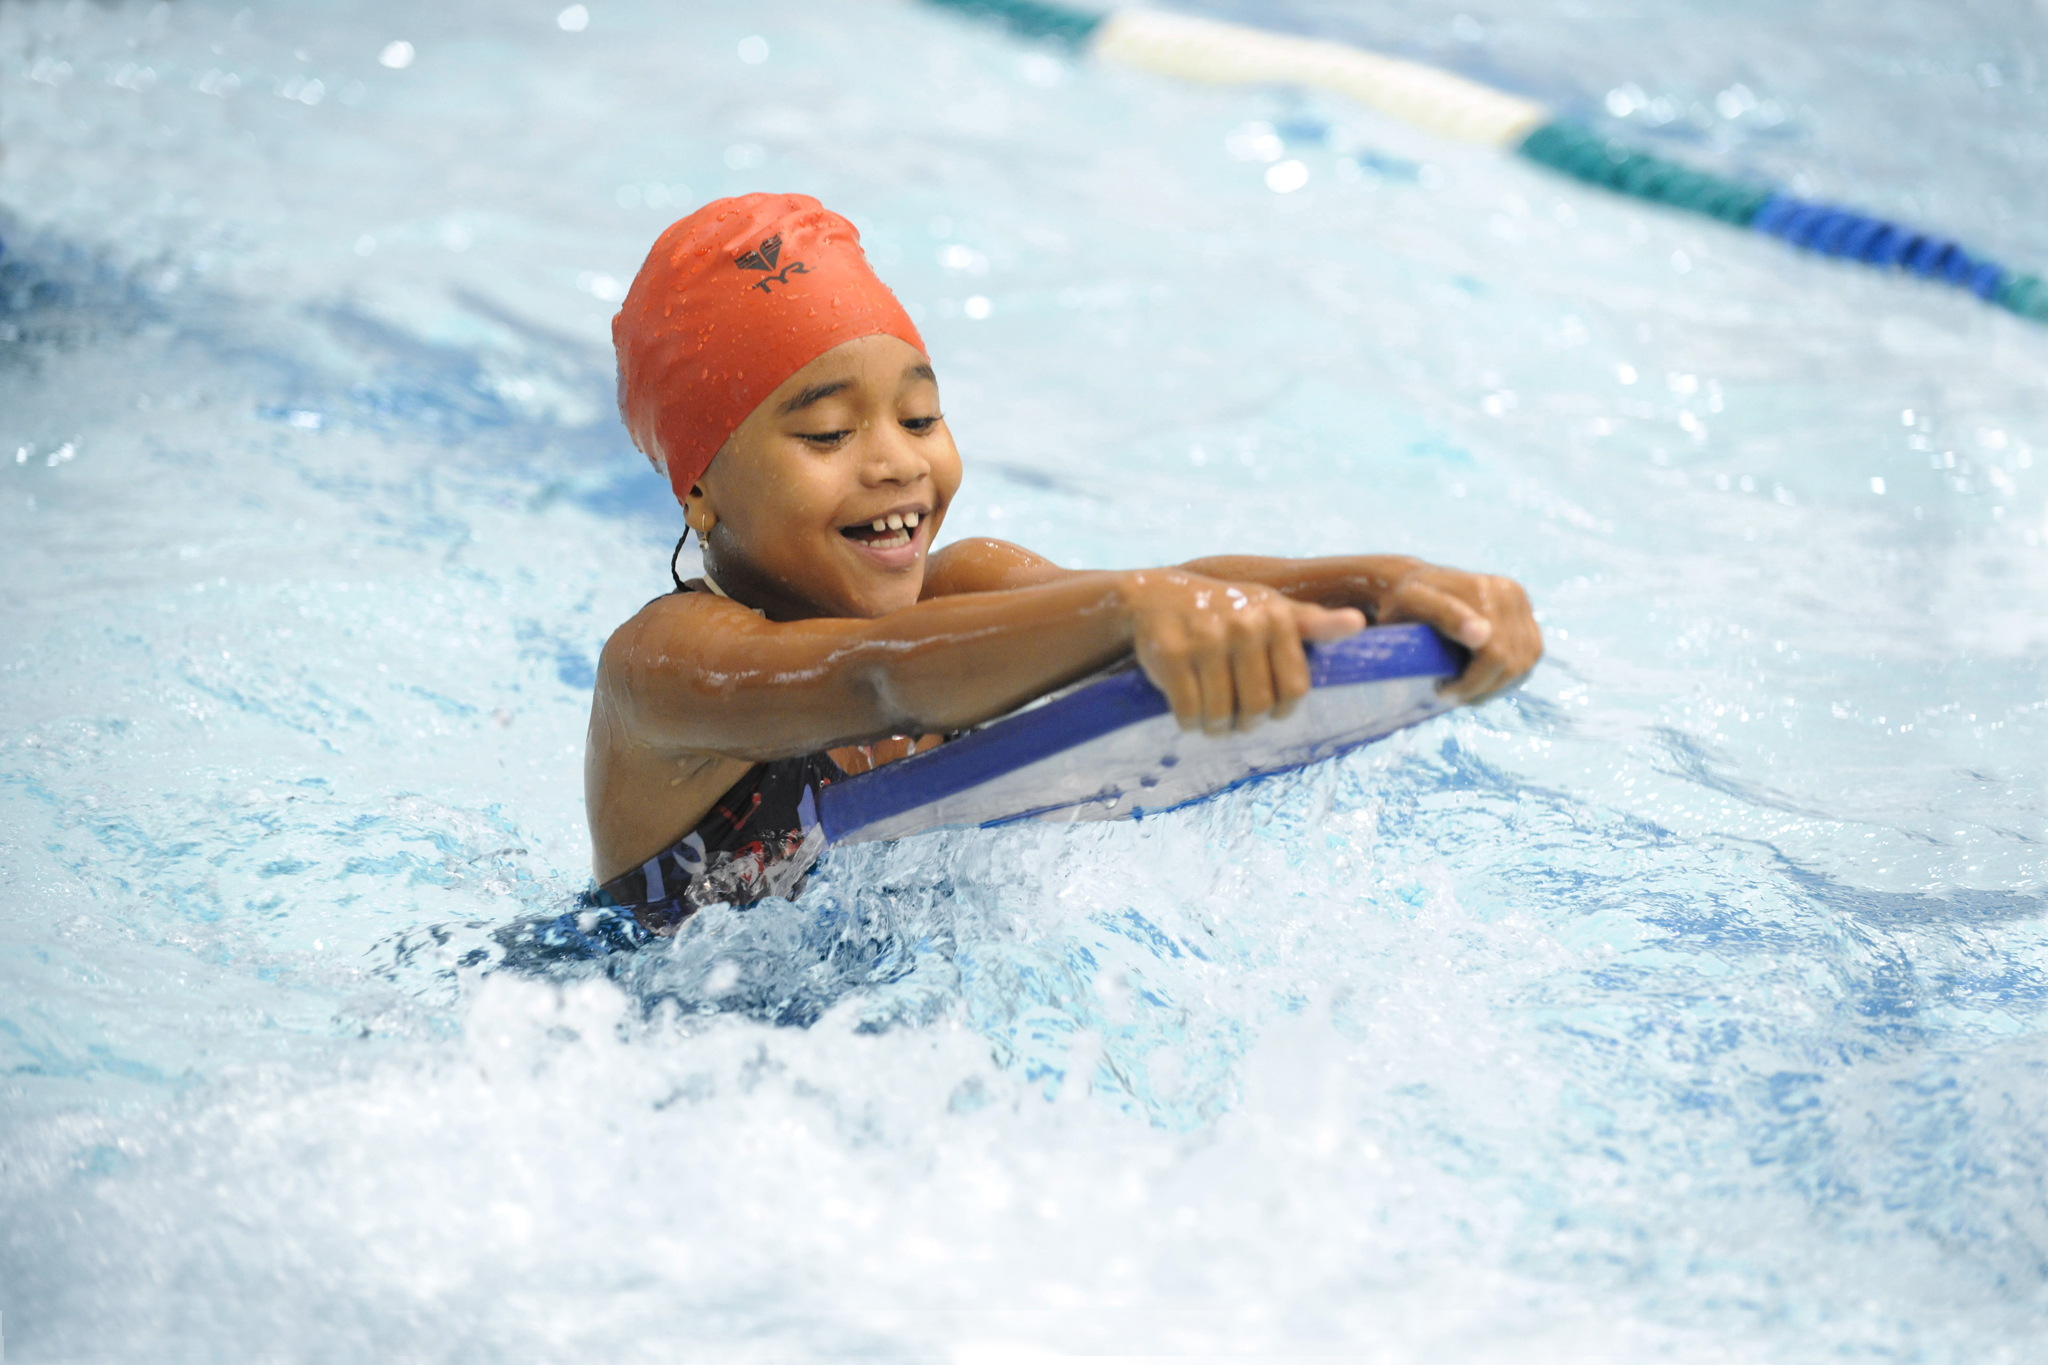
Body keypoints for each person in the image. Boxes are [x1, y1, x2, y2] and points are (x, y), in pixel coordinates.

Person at [586, 193, 1541, 934]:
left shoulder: (963, 586)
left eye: (921, 418)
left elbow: (1139, 589)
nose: (898, 462)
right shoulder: (666, 668)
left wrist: (1380, 584)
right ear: (701, 490)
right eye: (831, 432)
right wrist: (1135, 610)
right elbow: (876, 677)